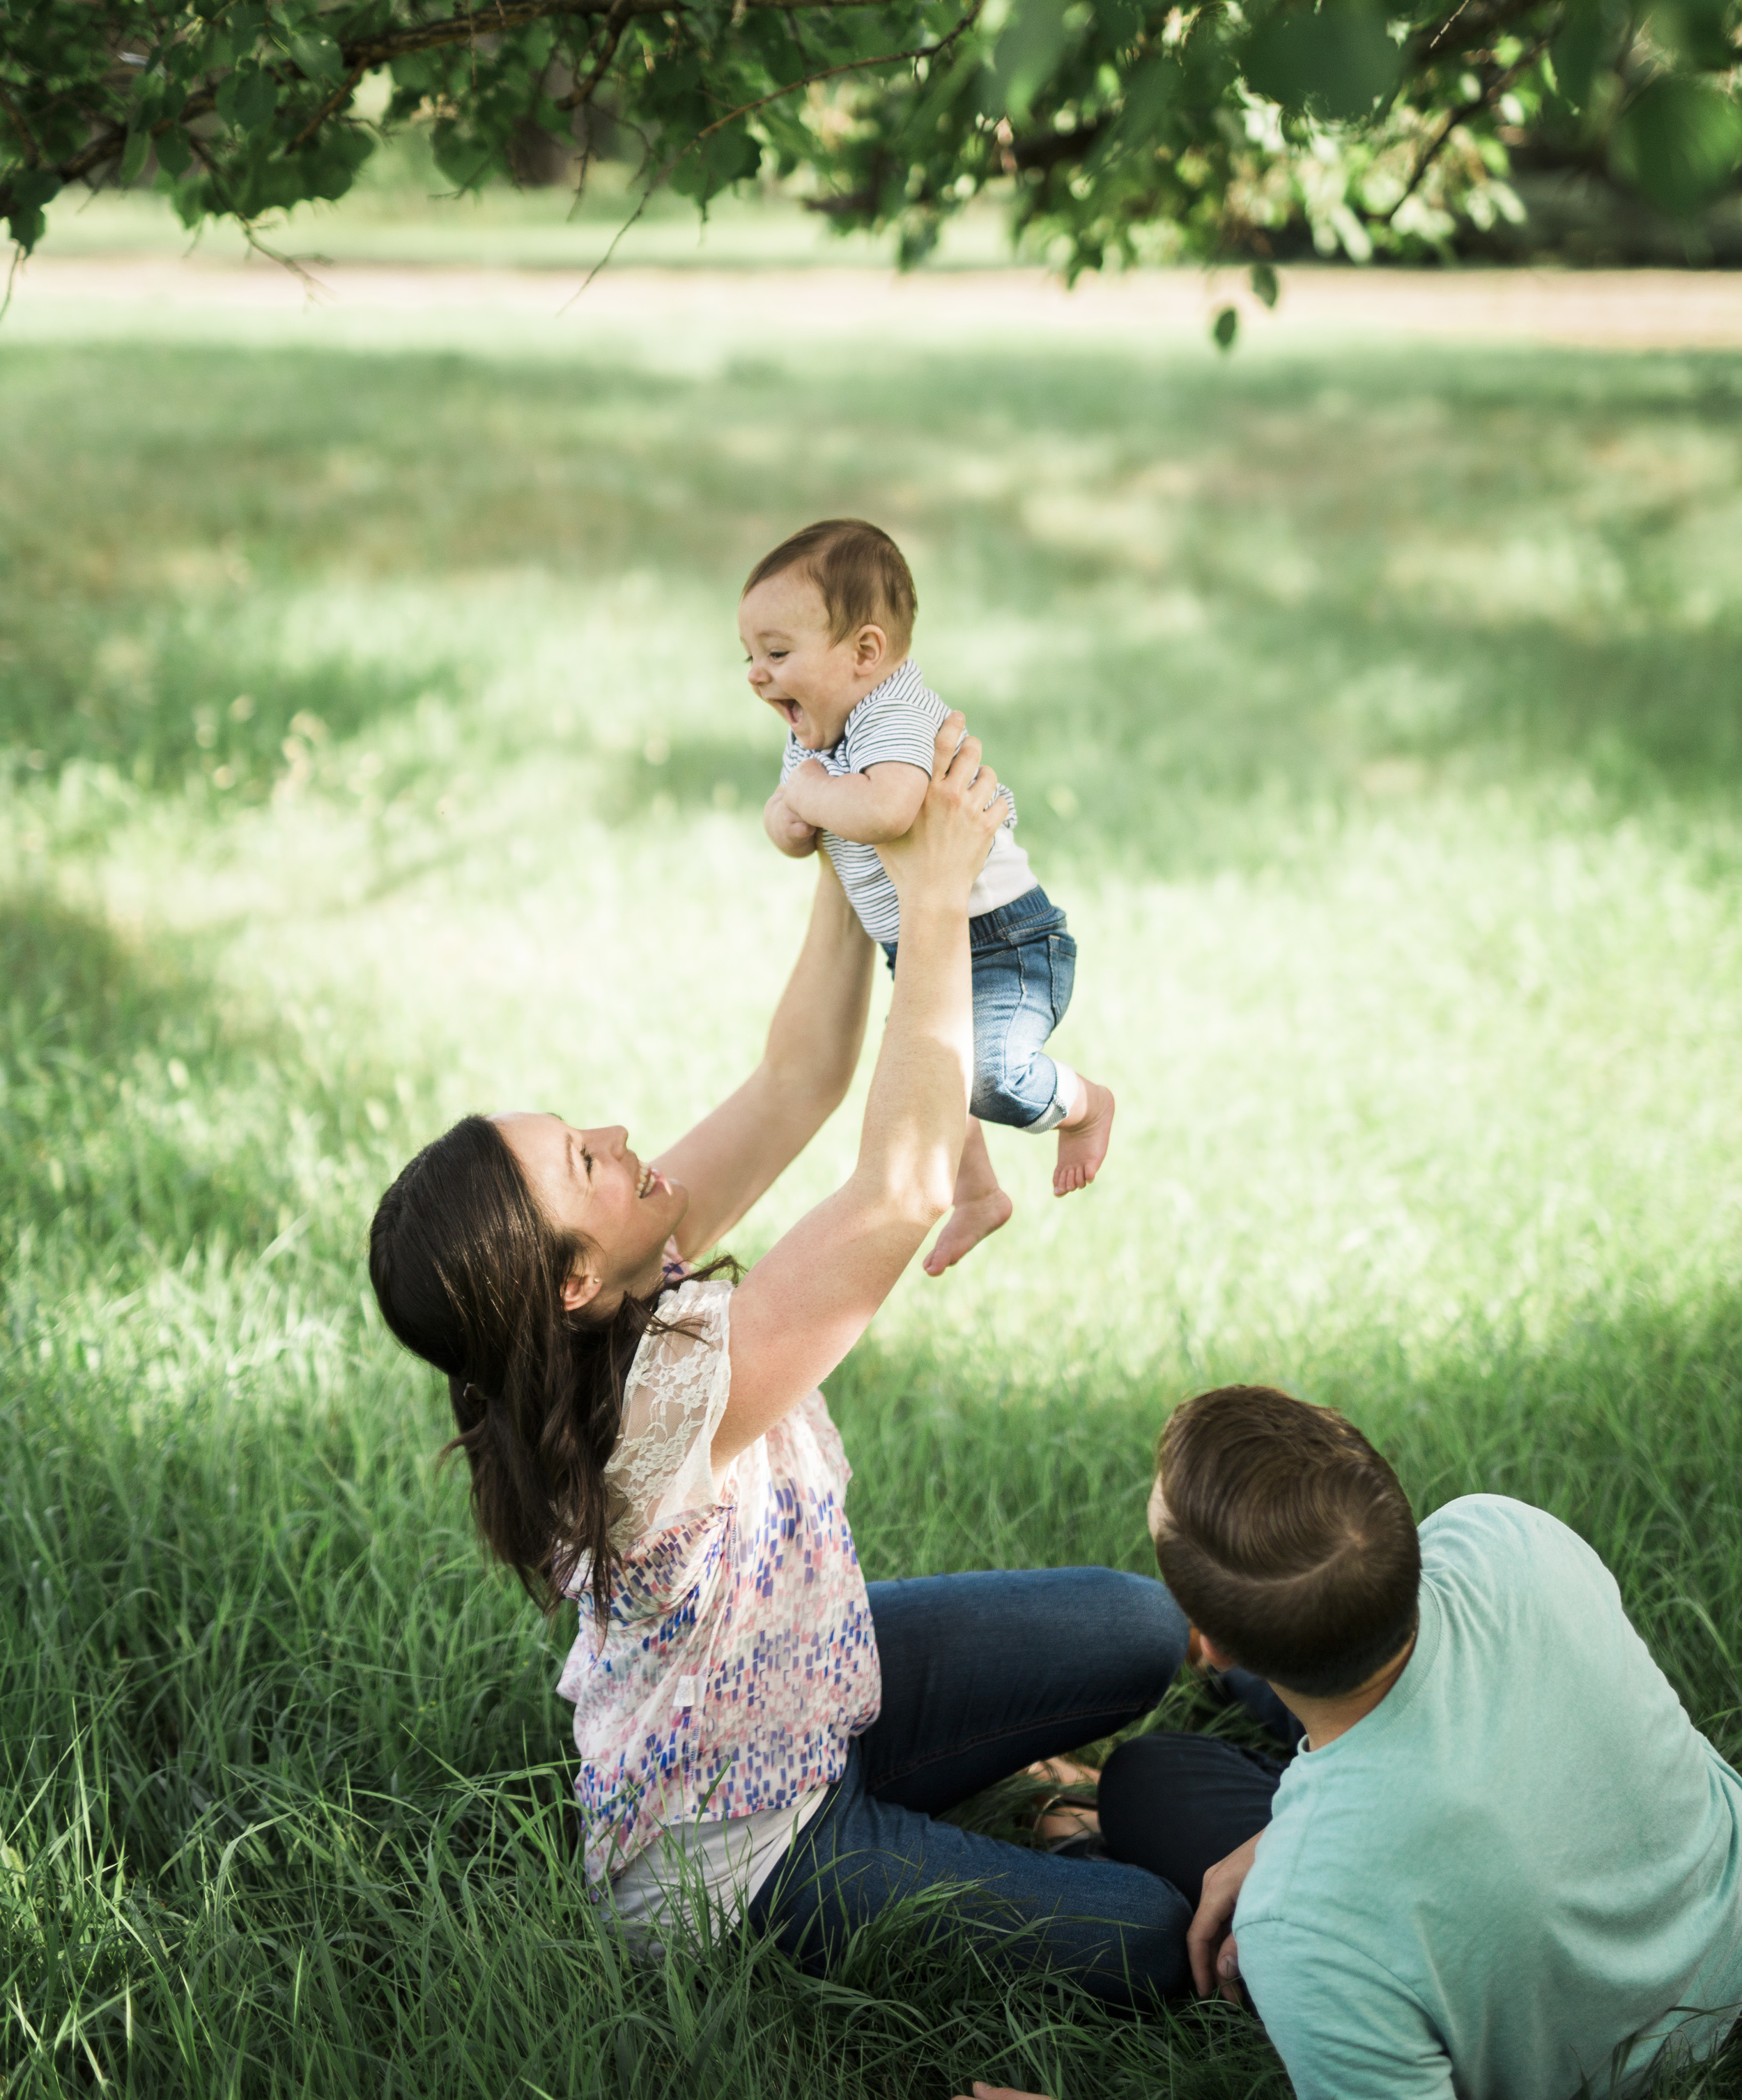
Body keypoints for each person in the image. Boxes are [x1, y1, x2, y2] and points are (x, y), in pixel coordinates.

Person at [367, 717, 1202, 1997]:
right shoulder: (647, 1413)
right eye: (582, 1161)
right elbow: (901, 1192)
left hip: (822, 1686)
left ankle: (962, 1777)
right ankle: (976, 1826)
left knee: (1141, 1630)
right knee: (1149, 1936)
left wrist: (847, 848)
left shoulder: (617, 1277)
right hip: (746, 1850)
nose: (614, 1132)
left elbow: (799, 1075)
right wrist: (932, 898)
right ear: (571, 1281)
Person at [957, 1384, 1742, 2100]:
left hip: (1606, 2069)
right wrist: (1283, 1839)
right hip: (1721, 1925)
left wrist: (1302, 1862)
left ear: (1214, 1640)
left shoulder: (1298, 1926)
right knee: (1147, 1778)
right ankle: (1275, 1682)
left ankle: (1146, 1773)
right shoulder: (1507, 1536)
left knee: (1143, 1791)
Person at [740, 517, 1114, 1273]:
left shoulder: (895, 714)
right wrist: (794, 811)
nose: (756, 673)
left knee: (983, 1077)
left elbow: (887, 810)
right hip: (916, 937)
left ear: (865, 653)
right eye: (748, 656)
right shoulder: (818, 728)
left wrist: (810, 795)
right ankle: (977, 1194)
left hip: (1005, 940)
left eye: (776, 654)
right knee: (929, 1077)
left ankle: (1085, 1103)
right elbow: (793, 829)